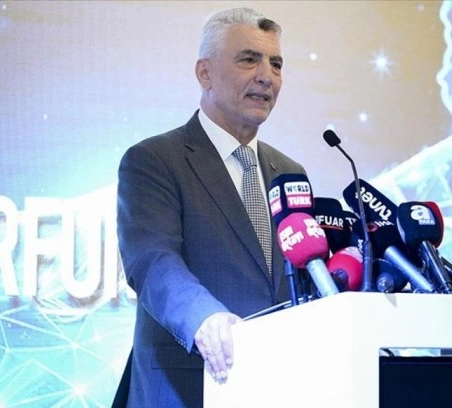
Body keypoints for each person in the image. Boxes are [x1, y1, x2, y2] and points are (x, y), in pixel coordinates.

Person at [115, 7, 308, 407]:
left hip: (277, 388)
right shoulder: (154, 160)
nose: (266, 77)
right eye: (249, 60)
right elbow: (152, 260)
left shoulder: (290, 173)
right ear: (205, 73)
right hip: (186, 386)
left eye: (276, 64)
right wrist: (203, 317)